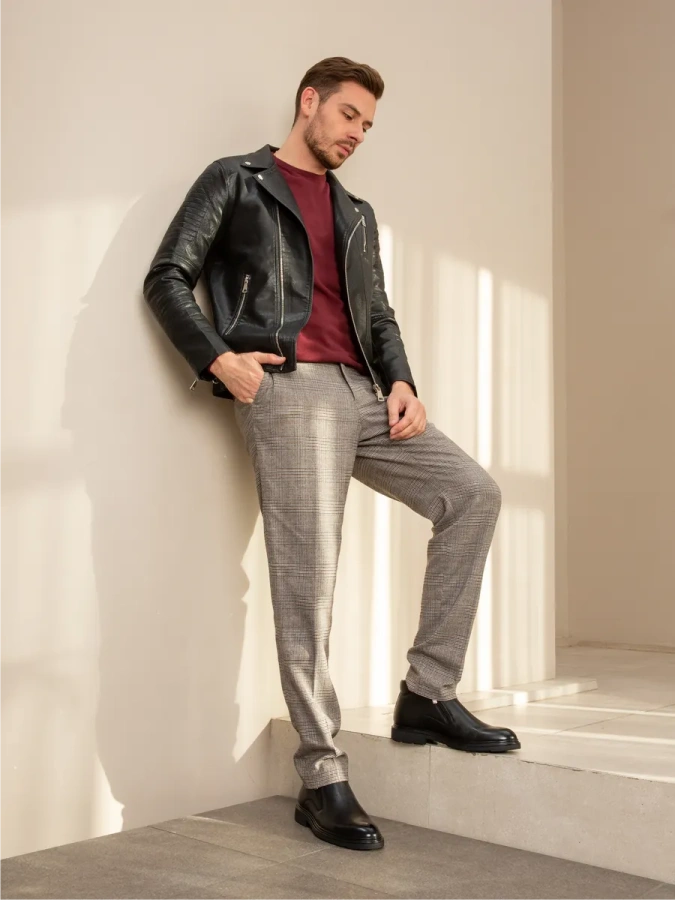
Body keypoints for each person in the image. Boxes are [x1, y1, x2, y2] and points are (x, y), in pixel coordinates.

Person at [143, 56, 520, 853]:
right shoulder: (237, 180)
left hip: (364, 392)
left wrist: (402, 381)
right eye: (349, 115)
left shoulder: (354, 211)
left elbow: (376, 312)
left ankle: (427, 694)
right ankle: (320, 775)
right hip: (288, 389)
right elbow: (168, 275)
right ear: (308, 102)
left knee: (472, 495)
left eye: (368, 125)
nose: (357, 134)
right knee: (308, 576)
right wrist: (220, 360)